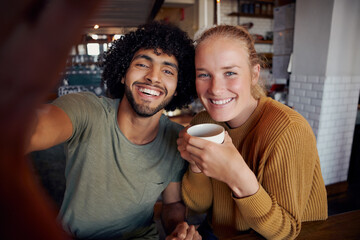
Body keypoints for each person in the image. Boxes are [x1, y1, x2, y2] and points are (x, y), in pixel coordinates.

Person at [26, 21, 201, 239]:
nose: (154, 77)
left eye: (167, 70)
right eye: (142, 64)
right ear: (122, 73)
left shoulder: (176, 138)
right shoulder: (88, 110)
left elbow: (172, 202)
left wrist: (178, 228)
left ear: (177, 88)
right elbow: (34, 128)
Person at [177, 25, 328, 240]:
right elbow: (198, 205)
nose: (215, 88)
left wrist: (235, 173)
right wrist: (196, 163)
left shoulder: (288, 129)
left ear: (254, 73)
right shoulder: (202, 122)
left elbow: (284, 231)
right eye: (204, 74)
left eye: (230, 73)